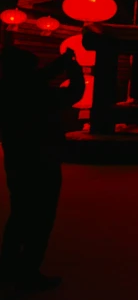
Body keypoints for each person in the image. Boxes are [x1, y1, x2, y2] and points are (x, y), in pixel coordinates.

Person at [0, 46, 84, 292]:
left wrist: (61, 63)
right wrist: (74, 70)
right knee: (41, 218)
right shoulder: (36, 92)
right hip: (43, 161)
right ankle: (28, 272)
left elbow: (37, 78)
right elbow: (72, 94)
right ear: (27, 70)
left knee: (20, 215)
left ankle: (8, 267)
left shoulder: (7, 88)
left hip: (17, 160)